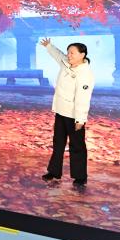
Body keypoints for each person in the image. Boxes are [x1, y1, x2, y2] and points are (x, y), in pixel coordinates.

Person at [40, 38, 94, 187]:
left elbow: (83, 98)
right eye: (68, 52)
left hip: (74, 116)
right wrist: (49, 46)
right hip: (61, 111)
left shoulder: (85, 74)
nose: (69, 55)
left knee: (77, 146)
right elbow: (58, 55)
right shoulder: (65, 63)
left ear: (82, 55)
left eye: (72, 53)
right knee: (58, 143)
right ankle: (54, 172)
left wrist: (80, 119)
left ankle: (80, 176)